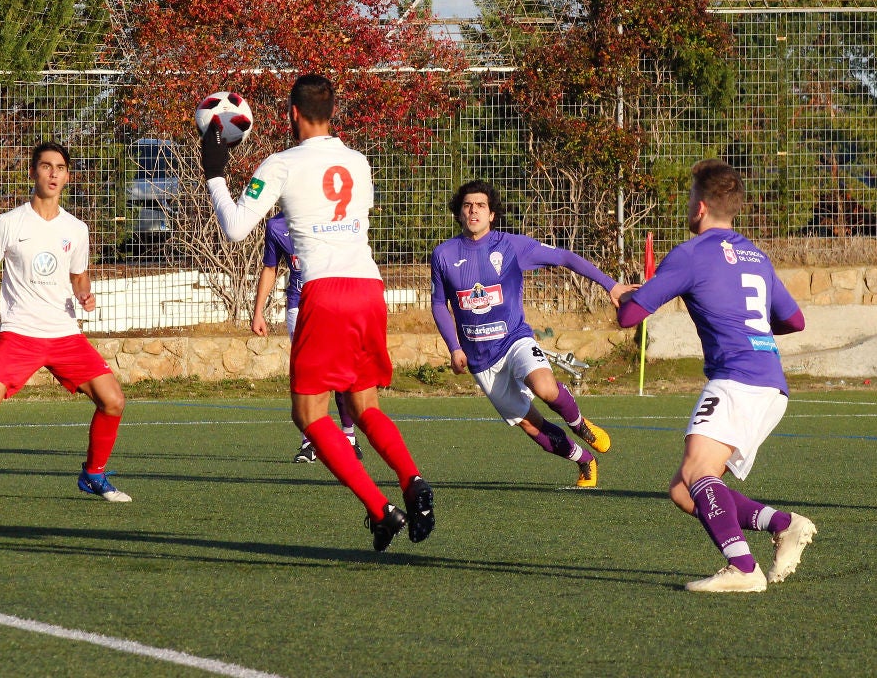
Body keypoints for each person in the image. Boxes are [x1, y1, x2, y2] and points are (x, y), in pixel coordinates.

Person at [204, 74, 433, 551]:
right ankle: (412, 480)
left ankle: (381, 509)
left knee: (309, 414)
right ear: (332, 112)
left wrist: (215, 173)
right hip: (369, 287)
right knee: (365, 405)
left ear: (293, 114)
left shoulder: (282, 163)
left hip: (325, 292)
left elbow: (236, 228)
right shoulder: (359, 162)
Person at [616, 159, 815, 593]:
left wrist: (624, 296)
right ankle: (783, 524)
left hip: (738, 379)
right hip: (770, 381)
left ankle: (743, 568)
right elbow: (794, 320)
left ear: (701, 207)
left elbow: (630, 316)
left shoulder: (690, 254)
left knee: (697, 471)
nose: (688, 205)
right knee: (684, 490)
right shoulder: (755, 256)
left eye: (690, 198)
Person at [0, 141, 130, 505]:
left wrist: (85, 294)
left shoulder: (76, 229)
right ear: (33, 172)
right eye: (46, 166)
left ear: (67, 177)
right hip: (19, 334)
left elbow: (79, 276)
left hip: (65, 335)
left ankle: (93, 474)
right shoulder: (10, 222)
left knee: (114, 400)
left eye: (60, 168)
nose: (53, 173)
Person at [430, 180, 627, 487]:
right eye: (467, 205)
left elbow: (565, 257)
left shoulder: (511, 246)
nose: (474, 211)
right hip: (480, 359)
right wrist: (454, 348)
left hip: (514, 340)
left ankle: (580, 424)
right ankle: (585, 460)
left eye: (481, 205)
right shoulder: (444, 254)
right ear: (459, 213)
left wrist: (611, 285)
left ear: (492, 214)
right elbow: (438, 304)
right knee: (531, 425)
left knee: (545, 387)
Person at [251, 213, 361, 462]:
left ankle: (348, 437)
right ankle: (309, 443)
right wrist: (258, 312)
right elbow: (270, 268)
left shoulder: (331, 215)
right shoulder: (276, 226)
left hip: (334, 305)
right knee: (308, 373)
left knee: (340, 371)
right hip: (299, 307)